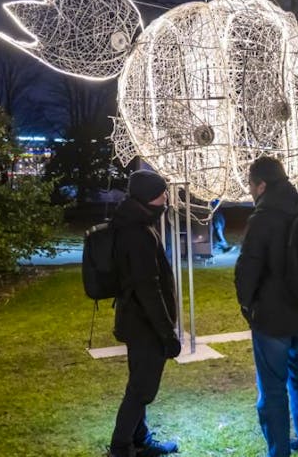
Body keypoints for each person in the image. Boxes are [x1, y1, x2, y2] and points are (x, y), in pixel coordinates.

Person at [235, 157, 298, 457]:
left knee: (272, 389)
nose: (250, 191)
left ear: (261, 185)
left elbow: (247, 270)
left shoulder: (262, 219)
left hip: (272, 317)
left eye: (250, 185)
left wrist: (248, 305)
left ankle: (279, 451)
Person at [108, 169, 181, 457]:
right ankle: (121, 446)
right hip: (144, 324)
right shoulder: (137, 233)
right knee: (142, 390)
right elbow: (148, 289)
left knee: (139, 383)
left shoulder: (133, 223)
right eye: (162, 194)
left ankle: (139, 440)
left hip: (136, 320)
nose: (166, 200)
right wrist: (166, 333)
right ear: (149, 197)